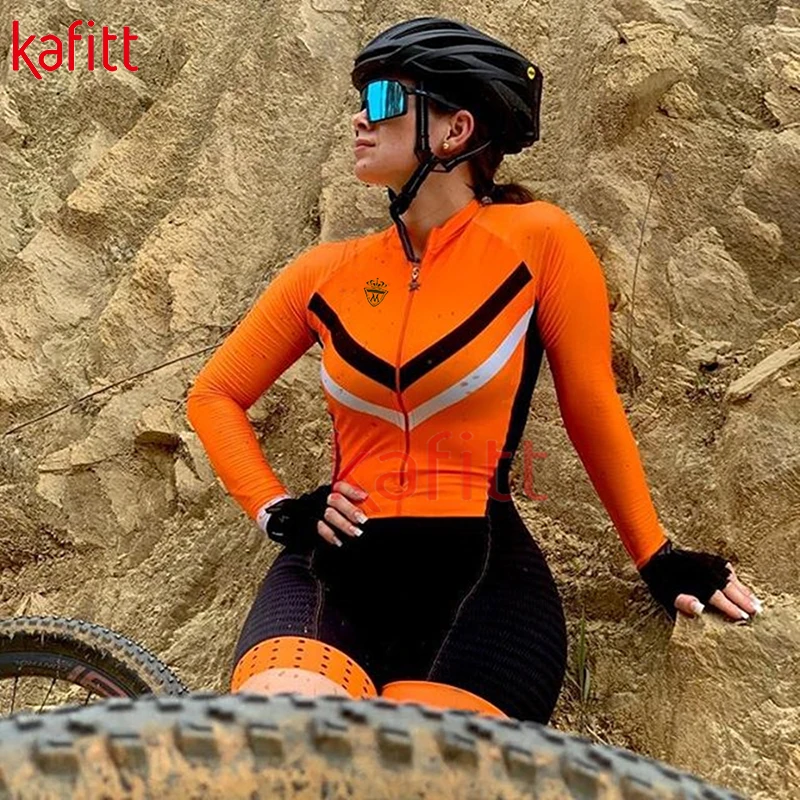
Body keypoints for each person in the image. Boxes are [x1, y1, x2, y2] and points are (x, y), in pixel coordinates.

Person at [185, 17, 762, 723]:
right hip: (330, 571)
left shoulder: (540, 240)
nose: (360, 119)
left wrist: (656, 554)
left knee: (422, 768)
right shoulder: (324, 272)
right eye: (360, 101)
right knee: (282, 742)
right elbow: (214, 395)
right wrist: (276, 509)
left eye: (384, 101)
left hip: (482, 578)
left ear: (456, 131)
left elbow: (590, 407)